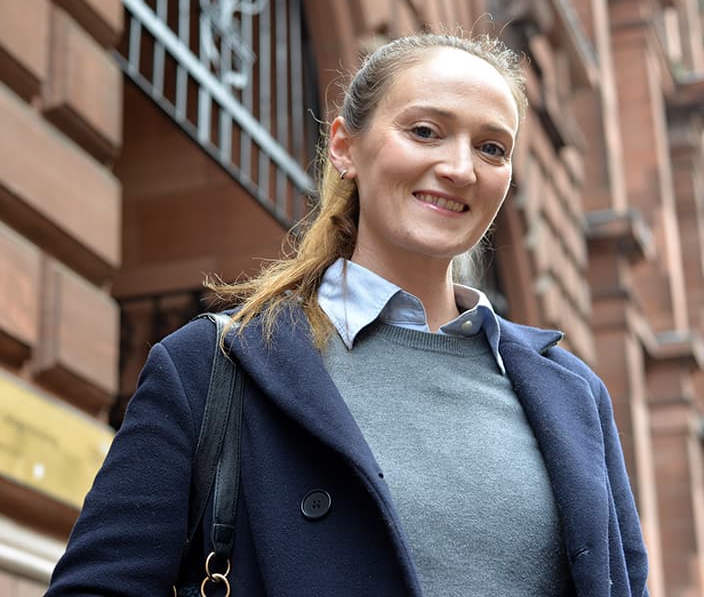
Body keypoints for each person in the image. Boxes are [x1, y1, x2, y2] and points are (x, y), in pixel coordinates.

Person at [45, 31, 649, 597]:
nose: (462, 167)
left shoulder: (573, 396)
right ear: (344, 147)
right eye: (425, 131)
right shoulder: (211, 366)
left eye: (492, 147)